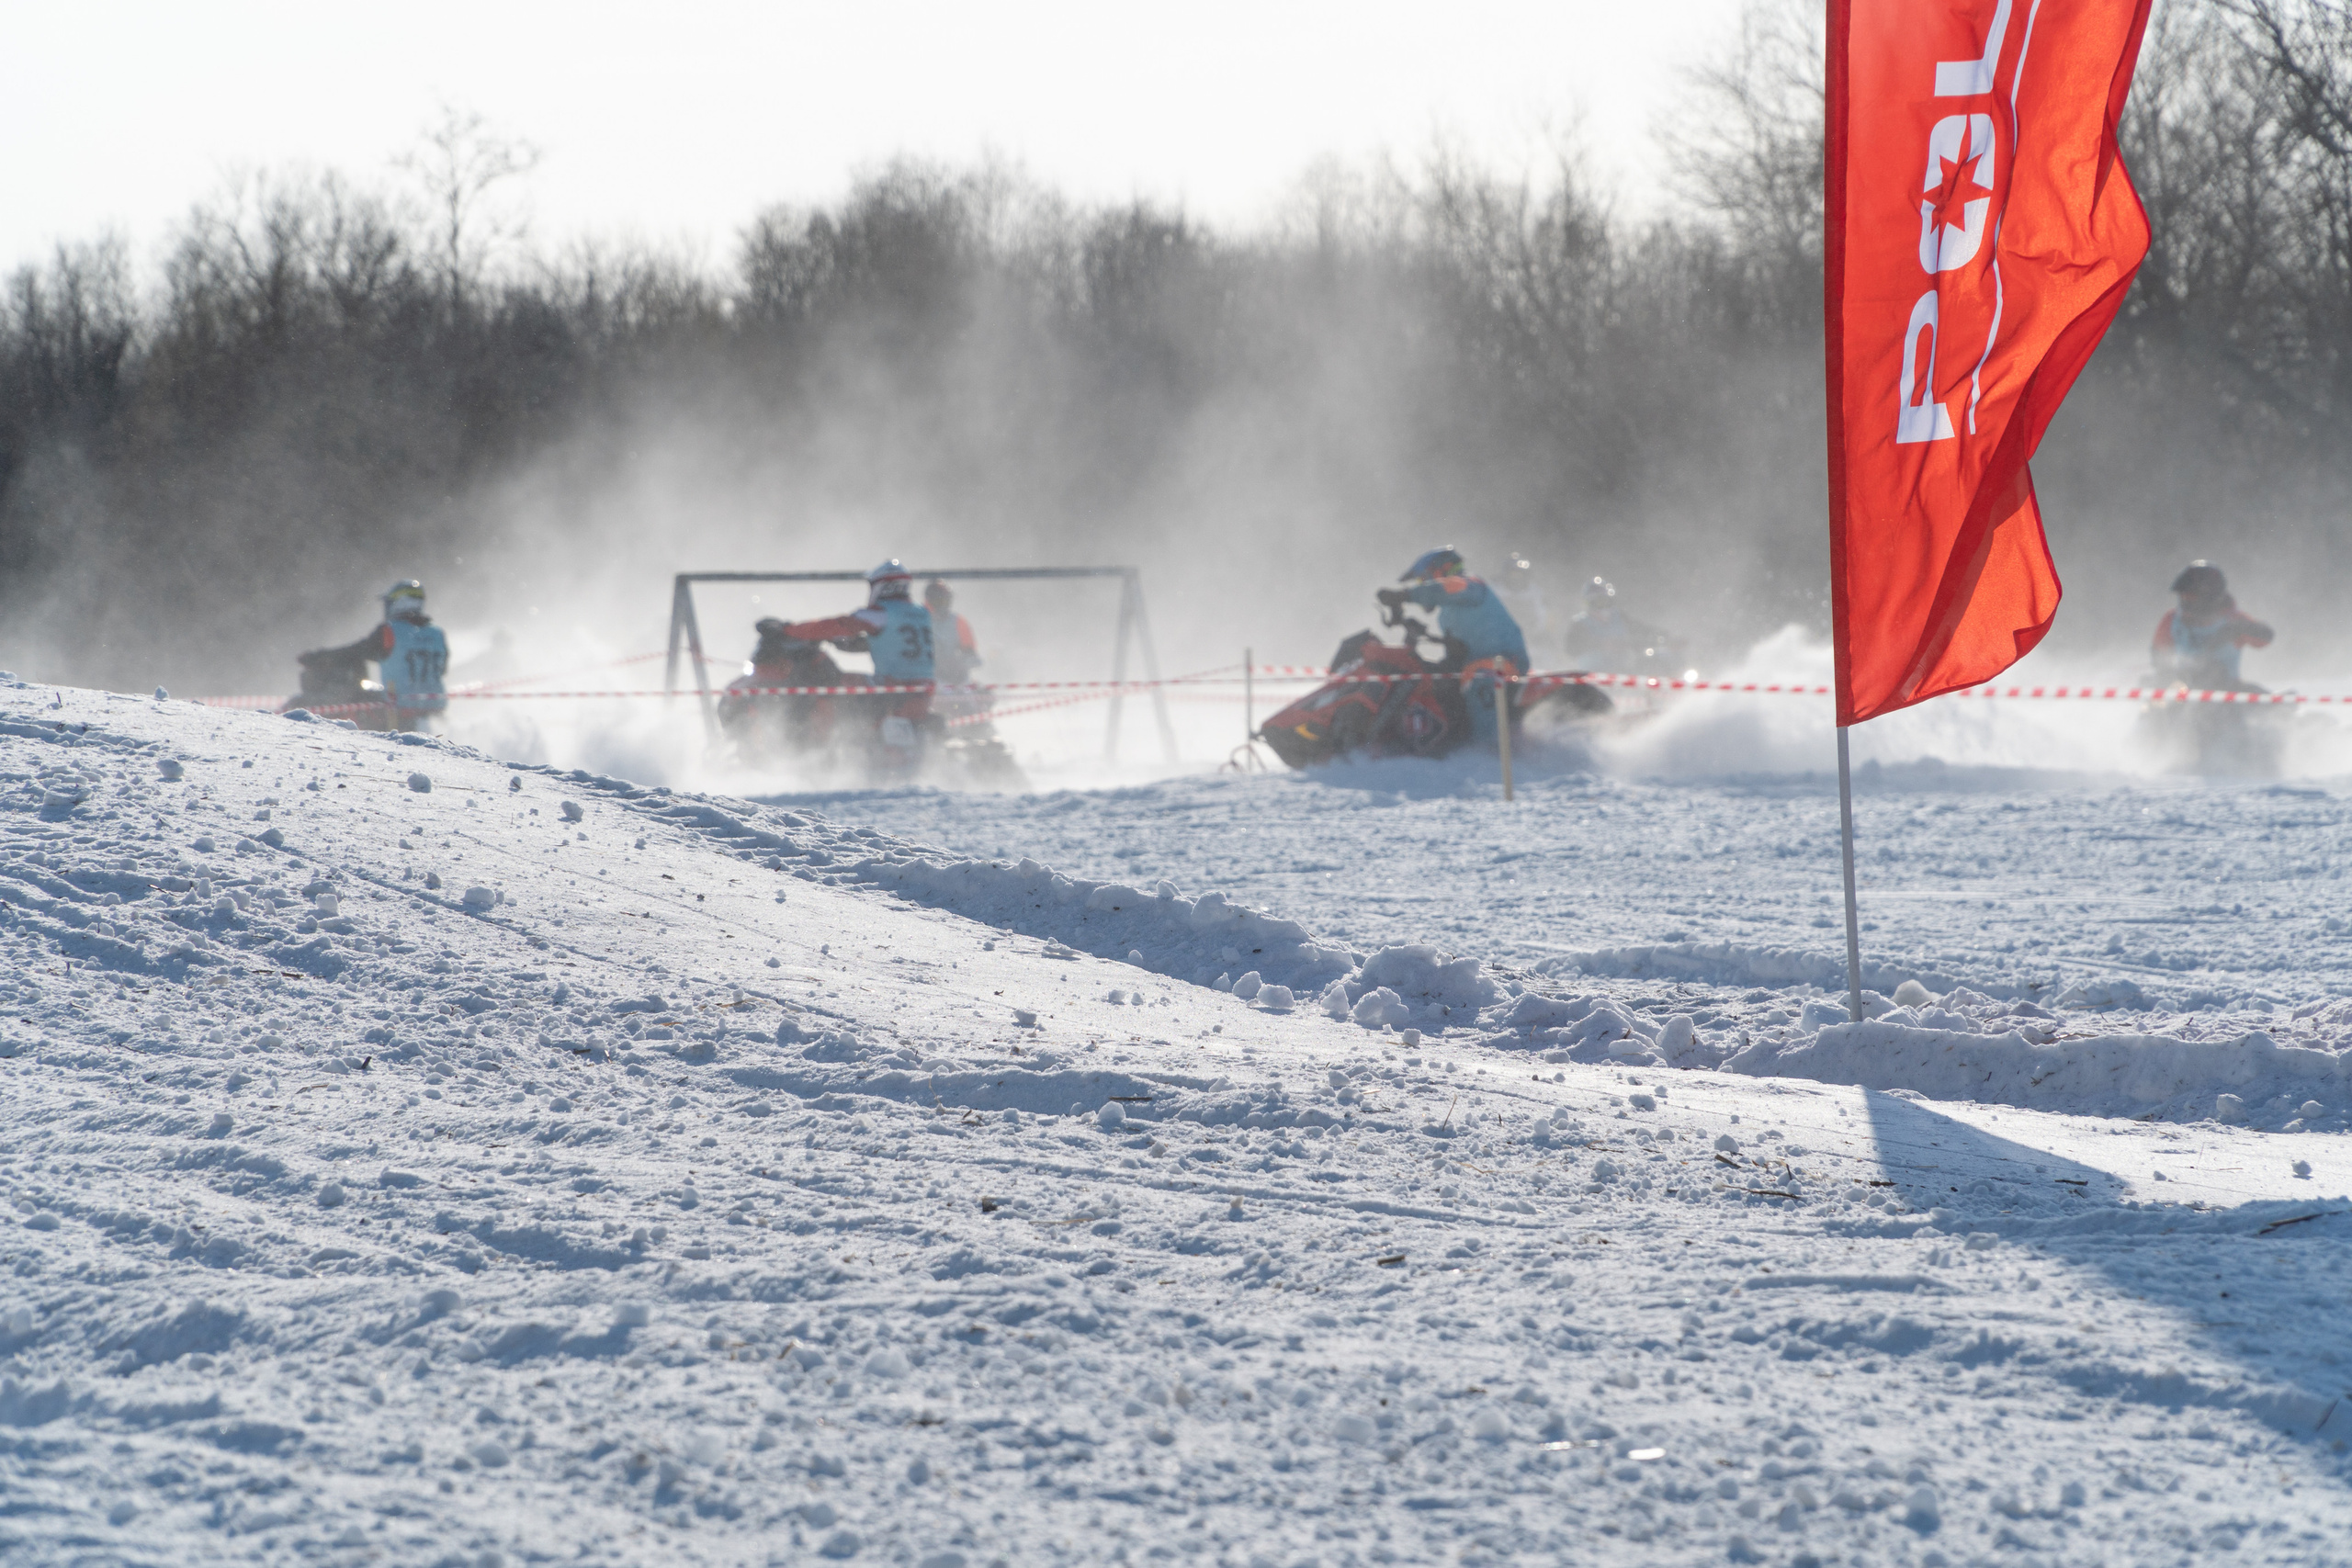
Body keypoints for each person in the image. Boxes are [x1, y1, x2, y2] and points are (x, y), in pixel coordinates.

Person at [765, 560, 936, 755]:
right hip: (924, 690)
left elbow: (838, 625)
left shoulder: (880, 613)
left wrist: (789, 630)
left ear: (882, 585)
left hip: (893, 687)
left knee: (835, 683)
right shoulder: (922, 614)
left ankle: (820, 747)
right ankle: (868, 737)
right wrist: (849, 643)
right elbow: (897, 644)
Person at [1375, 547, 1529, 746]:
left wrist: (1405, 595)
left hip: (1503, 663)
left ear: (1440, 572)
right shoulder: (1446, 615)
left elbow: (1445, 588)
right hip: (1476, 665)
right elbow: (1458, 651)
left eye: (1424, 580)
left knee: (1478, 681)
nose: (1422, 585)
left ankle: (1490, 753)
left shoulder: (1471, 584)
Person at [300, 580, 448, 731]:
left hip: (398, 710)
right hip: (435, 706)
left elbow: (354, 652)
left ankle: (350, 733)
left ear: (399, 603)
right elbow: (442, 669)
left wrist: (317, 657)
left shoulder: (389, 631)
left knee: (357, 696)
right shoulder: (437, 633)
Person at [2153, 561, 2272, 692]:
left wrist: (2240, 628)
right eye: (2183, 596)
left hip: (2225, 693)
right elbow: (2159, 655)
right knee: (2150, 684)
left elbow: (2265, 638)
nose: (2184, 602)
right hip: (2182, 689)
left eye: (2190, 597)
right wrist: (2168, 674)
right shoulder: (2172, 620)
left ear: (2208, 597)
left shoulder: (2232, 619)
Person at [923, 579, 983, 687]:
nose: (942, 605)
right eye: (938, 601)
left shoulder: (958, 622)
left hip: (957, 679)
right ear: (929, 601)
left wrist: (960, 663)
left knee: (984, 696)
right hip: (929, 679)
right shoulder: (919, 620)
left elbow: (972, 655)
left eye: (945, 601)